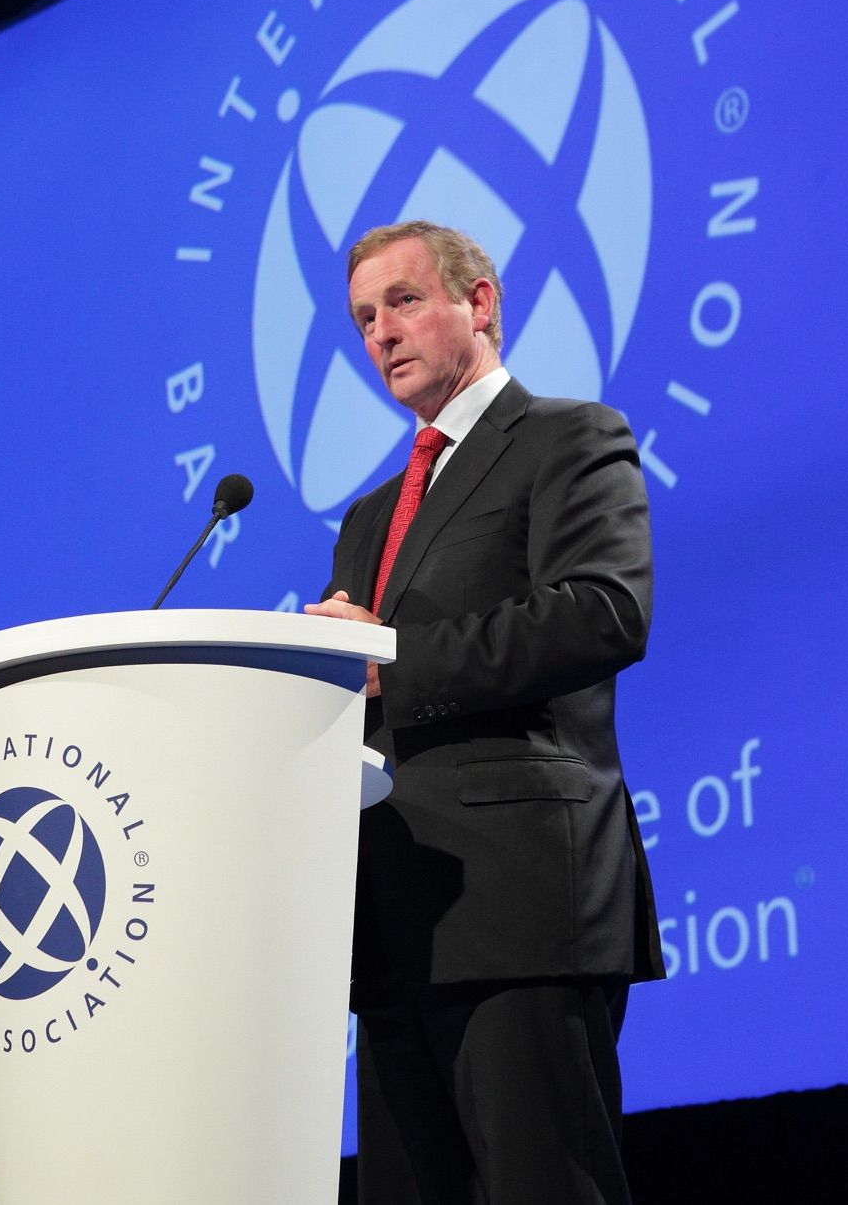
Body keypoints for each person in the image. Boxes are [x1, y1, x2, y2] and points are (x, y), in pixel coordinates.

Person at [305, 221, 663, 1205]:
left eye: (404, 301)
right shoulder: (370, 517)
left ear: (481, 304)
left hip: (521, 904)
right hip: (390, 922)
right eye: (362, 318)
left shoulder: (569, 438)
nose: (380, 333)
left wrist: (387, 658)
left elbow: (603, 612)